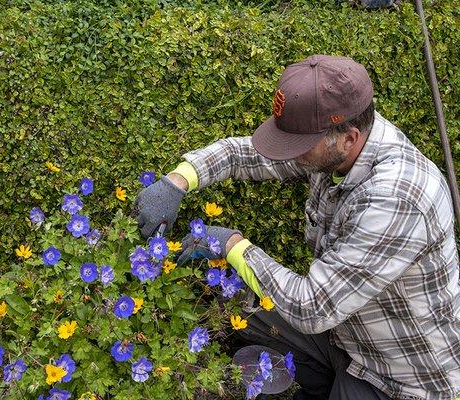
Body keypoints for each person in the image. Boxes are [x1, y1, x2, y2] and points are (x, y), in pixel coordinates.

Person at [132, 55, 460, 400]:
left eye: (299, 146)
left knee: (252, 284)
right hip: (344, 332)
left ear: (349, 138)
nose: (291, 154)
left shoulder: (397, 199)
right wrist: (177, 181)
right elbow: (242, 154)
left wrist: (232, 245)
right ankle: (320, 381)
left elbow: (313, 308)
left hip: (398, 376)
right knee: (235, 298)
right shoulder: (344, 143)